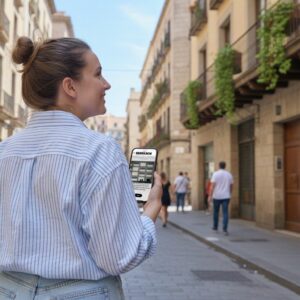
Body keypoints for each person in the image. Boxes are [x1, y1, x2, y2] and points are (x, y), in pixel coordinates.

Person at [0, 37, 162, 299]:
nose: (106, 84)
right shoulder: (100, 150)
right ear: (70, 86)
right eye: (98, 74)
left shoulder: (4, 152)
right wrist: (152, 209)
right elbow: (118, 256)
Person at [208, 161, 233, 235]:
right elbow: (231, 186)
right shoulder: (229, 174)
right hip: (226, 196)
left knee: (216, 212)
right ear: (225, 166)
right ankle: (225, 229)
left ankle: (215, 227)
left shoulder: (215, 174)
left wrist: (210, 195)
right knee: (225, 212)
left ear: (219, 166)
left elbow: (212, 186)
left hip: (217, 196)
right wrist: (230, 193)